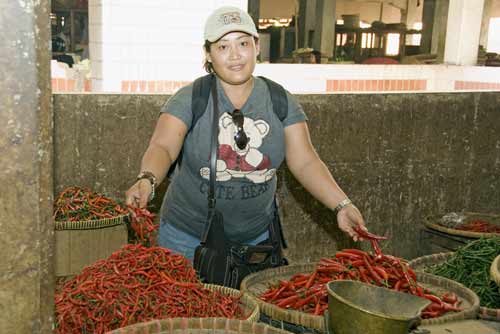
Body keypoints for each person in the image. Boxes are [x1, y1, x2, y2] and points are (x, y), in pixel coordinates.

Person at [125, 6, 366, 260]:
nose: (235, 55)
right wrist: (148, 179)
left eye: (243, 43)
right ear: (208, 54)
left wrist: (342, 205)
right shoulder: (191, 99)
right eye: (222, 47)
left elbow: (306, 161)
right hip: (187, 239)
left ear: (256, 47)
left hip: (255, 242)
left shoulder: (279, 100)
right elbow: (163, 147)